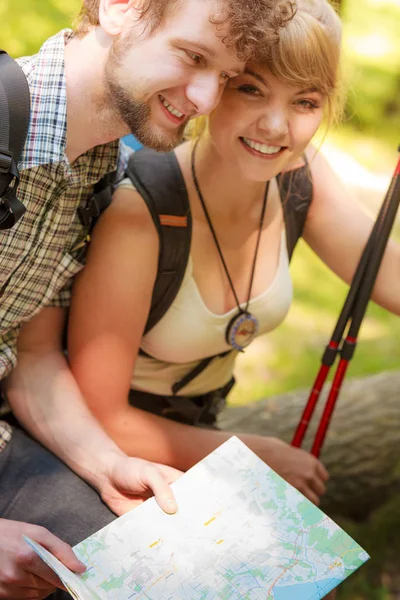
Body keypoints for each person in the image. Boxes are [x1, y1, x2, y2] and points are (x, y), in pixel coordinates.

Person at [0, 0, 293, 597]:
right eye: (193, 57)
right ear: (118, 9)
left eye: (227, 77)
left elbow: (30, 357)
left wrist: (107, 463)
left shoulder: (100, 169)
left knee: (195, 571)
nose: (208, 99)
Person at [68, 0, 400, 512]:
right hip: (103, 456)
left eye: (305, 102)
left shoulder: (299, 174)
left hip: (201, 428)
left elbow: (390, 277)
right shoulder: (142, 216)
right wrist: (249, 454)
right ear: (217, 86)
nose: (276, 126)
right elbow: (99, 415)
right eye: (252, 89)